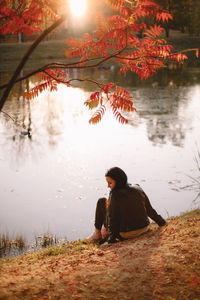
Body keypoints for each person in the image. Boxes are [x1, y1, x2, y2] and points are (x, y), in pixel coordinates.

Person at [89, 167, 166, 243]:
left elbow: (112, 218)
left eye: (110, 183)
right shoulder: (137, 188)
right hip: (144, 228)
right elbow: (149, 209)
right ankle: (103, 230)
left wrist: (111, 239)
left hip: (126, 233)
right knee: (109, 203)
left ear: (118, 181)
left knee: (102, 201)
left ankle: (97, 234)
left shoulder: (115, 194)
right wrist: (162, 222)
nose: (108, 186)